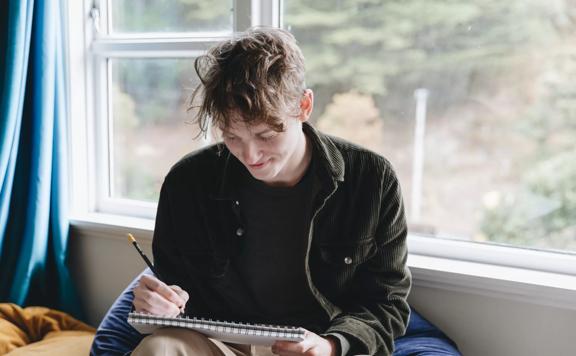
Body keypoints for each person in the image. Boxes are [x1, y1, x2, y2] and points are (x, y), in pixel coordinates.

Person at [126, 27, 411, 356]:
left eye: (265, 135)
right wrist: (158, 304)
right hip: (221, 344)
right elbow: (173, 290)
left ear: (304, 106)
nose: (250, 156)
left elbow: (387, 304)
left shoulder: (373, 180)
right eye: (232, 136)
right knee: (159, 348)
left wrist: (331, 346)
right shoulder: (187, 182)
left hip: (316, 346)